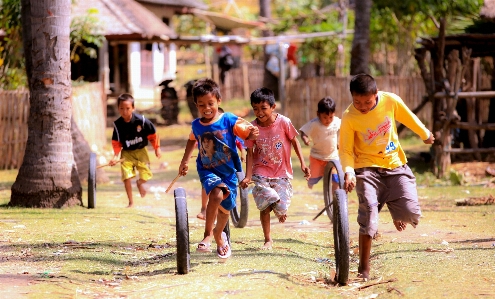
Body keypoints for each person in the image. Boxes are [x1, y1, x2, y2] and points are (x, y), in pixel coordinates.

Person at [339, 74, 435, 280]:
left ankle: (395, 207)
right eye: (357, 102)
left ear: (376, 95)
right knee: (369, 216)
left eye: (367, 101)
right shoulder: (349, 116)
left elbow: (409, 117)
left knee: (410, 214)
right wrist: (348, 172)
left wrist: (425, 134)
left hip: (394, 163)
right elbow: (345, 150)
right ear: (352, 97)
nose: (362, 106)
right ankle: (364, 269)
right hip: (366, 168)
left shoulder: (390, 100)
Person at [179, 78, 258, 259]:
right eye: (201, 105)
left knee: (225, 210)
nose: (206, 108)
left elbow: (247, 131)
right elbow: (192, 140)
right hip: (207, 169)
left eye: (210, 103)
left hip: (229, 172)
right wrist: (184, 161)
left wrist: (251, 133)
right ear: (196, 105)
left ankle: (218, 234)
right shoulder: (196, 126)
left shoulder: (228, 119)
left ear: (218, 101)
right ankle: (208, 234)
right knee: (215, 193)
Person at [240, 87, 310, 250]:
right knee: (266, 204)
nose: (259, 112)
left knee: (281, 206)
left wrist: (303, 163)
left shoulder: (284, 122)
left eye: (263, 108)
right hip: (261, 171)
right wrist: (248, 176)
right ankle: (268, 239)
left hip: (281, 171)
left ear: (273, 107)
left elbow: (295, 142)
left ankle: (280, 208)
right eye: (255, 109)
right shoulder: (252, 129)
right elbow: (249, 152)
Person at [109, 93, 161, 208]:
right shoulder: (118, 125)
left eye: (127, 108)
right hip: (126, 154)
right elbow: (116, 143)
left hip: (141, 151)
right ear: (118, 109)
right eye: (121, 108)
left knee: (146, 175)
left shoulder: (141, 121)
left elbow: (153, 134)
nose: (124, 111)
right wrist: (115, 157)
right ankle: (131, 202)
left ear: (133, 108)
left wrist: (157, 148)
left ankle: (139, 183)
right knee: (126, 177)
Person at [196, 107, 247, 221]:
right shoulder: (207, 133)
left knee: (226, 195)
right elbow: (198, 143)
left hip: (227, 166)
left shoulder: (230, 129)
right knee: (206, 185)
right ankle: (204, 208)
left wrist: (243, 153)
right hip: (211, 166)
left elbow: (240, 144)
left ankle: (223, 212)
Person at [299, 97, 341, 193]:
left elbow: (345, 129)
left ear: (334, 114)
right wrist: (305, 139)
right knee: (314, 178)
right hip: (317, 157)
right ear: (318, 114)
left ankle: (336, 198)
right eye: (325, 117)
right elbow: (303, 132)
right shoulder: (314, 124)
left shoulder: (336, 121)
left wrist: (340, 141)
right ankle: (311, 181)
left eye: (331, 117)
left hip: (332, 156)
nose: (328, 120)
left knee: (336, 180)